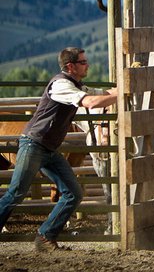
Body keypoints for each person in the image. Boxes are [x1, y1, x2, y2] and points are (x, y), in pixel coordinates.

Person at [0, 47, 118, 251]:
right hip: (34, 144)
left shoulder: (76, 84)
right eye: (83, 62)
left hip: (48, 149)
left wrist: (127, 86)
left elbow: (104, 93)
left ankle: (45, 236)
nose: (87, 64)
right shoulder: (61, 85)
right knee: (16, 193)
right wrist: (121, 95)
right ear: (70, 66)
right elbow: (90, 102)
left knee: (73, 193)